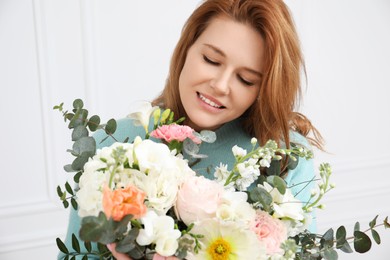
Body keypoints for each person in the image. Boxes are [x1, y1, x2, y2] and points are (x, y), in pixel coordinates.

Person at [59, 0, 323, 259]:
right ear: (186, 49)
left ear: (263, 89)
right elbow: (75, 254)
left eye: (246, 79)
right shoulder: (112, 143)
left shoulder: (287, 157)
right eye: (211, 60)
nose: (220, 86)